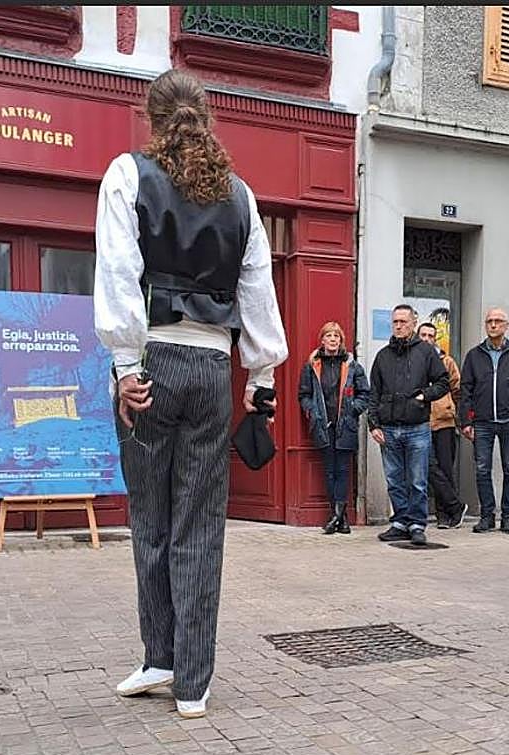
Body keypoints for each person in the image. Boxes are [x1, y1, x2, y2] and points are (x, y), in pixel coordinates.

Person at [94, 69, 289, 719]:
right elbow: (258, 294)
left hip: (151, 357)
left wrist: (125, 365)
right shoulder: (240, 197)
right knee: (200, 523)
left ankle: (161, 657)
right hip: (212, 368)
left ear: (151, 119)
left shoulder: (128, 175)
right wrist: (260, 382)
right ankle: (192, 680)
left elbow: (119, 272)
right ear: (206, 120)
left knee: (150, 516)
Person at [368, 305, 450, 546]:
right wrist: (374, 424)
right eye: (395, 322)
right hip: (389, 428)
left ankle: (417, 524)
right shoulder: (383, 355)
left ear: (414, 323)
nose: (399, 325)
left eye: (403, 321)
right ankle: (400, 522)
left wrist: (424, 396)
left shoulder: (426, 352)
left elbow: (443, 381)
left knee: (417, 479)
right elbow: (374, 392)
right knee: (394, 479)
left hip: (417, 427)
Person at [458, 308, 509, 535]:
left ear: (506, 325)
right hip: (482, 422)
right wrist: (466, 421)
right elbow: (466, 389)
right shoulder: (475, 355)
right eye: (490, 321)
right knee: (482, 469)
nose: (493, 325)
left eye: (498, 321)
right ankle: (487, 516)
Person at [298, 321, 370, 535]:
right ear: (322, 340)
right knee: (329, 472)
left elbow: (364, 394)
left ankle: (337, 518)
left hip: (345, 425)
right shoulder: (312, 365)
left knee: (343, 471)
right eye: (328, 336)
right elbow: (303, 395)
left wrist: (352, 410)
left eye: (336, 336)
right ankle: (339, 517)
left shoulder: (352, 365)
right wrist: (311, 412)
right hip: (323, 424)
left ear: (341, 340)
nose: (332, 339)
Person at [417, 322, 467, 529]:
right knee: (429, 469)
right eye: (423, 335)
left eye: (431, 335)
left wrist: (457, 415)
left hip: (444, 422)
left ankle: (445, 516)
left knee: (445, 469)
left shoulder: (447, 362)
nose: (427, 338)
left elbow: (458, 389)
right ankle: (452, 507)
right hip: (421, 422)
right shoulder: (413, 360)